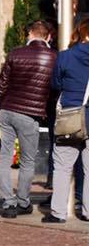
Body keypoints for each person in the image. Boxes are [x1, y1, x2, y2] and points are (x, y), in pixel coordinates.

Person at [0, 20, 56, 218]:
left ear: (30, 33)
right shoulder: (54, 57)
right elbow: (54, 88)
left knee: (4, 157)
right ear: (48, 36)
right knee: (28, 160)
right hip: (31, 114)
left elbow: (2, 83)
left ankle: (8, 202)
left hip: (7, 110)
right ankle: (22, 201)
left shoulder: (15, 53)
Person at [45, 19, 89, 223]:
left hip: (70, 117)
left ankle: (58, 212)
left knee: (62, 167)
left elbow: (55, 83)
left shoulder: (66, 56)